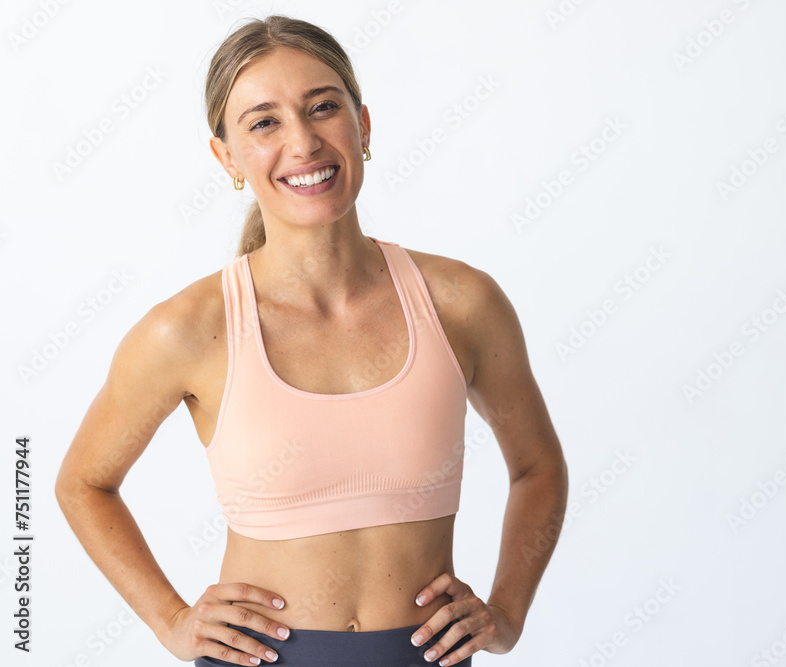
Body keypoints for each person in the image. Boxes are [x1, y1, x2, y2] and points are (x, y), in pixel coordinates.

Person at [54, 14, 568, 667]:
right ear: (227, 156)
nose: (303, 142)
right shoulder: (186, 328)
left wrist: (508, 612)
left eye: (323, 108)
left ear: (364, 126)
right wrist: (172, 620)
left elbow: (537, 466)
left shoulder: (462, 302)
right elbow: (84, 482)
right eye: (264, 122)